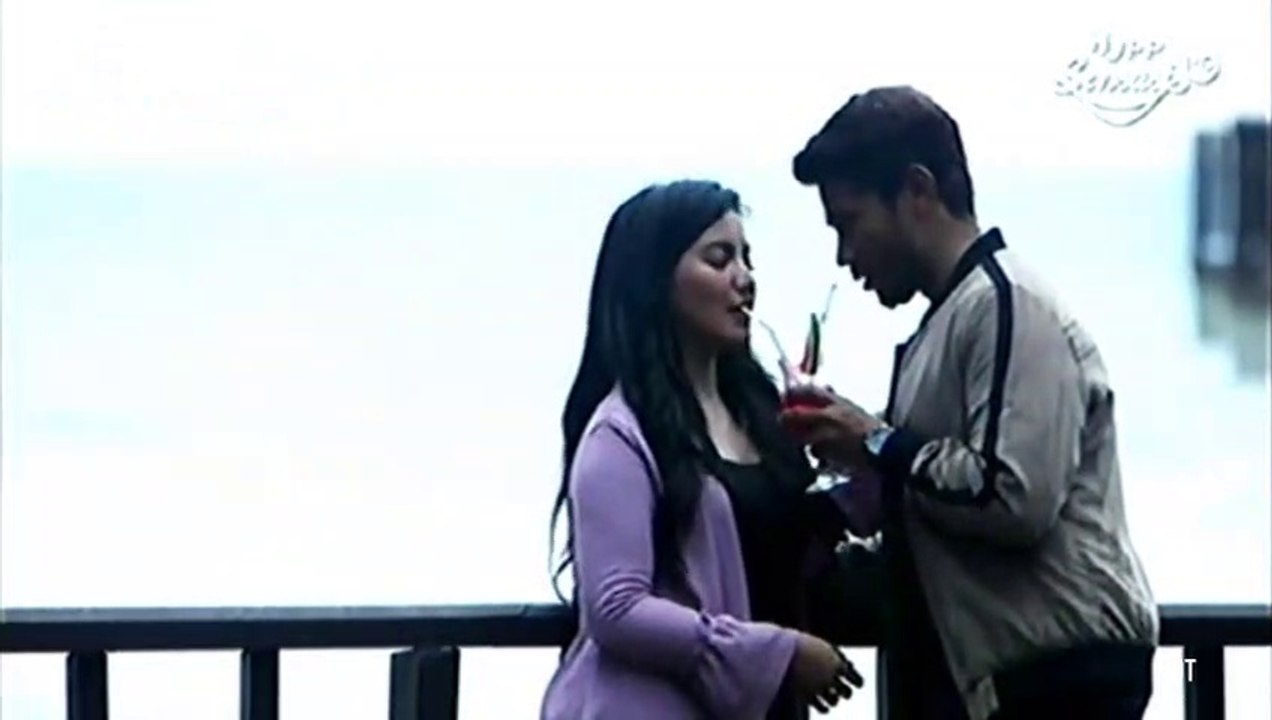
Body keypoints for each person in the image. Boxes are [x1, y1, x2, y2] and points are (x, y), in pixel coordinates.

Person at [778, 86, 1160, 720]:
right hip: (1008, 682)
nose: (845, 256)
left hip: (1053, 683)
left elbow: (1011, 496)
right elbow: (936, 513)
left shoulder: (1008, 304)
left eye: (849, 223)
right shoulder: (954, 319)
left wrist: (874, 440)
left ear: (917, 190)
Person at [540, 180, 867, 720]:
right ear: (655, 281)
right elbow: (616, 607)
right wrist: (779, 652)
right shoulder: (620, 435)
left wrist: (858, 454)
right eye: (719, 260)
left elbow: (797, 546)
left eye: (747, 259)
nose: (745, 278)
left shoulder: (762, 414)